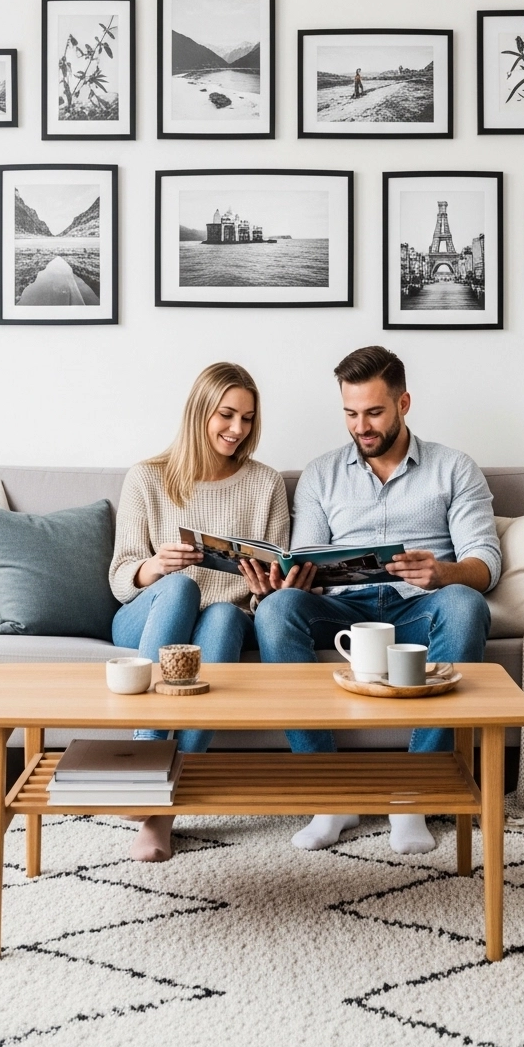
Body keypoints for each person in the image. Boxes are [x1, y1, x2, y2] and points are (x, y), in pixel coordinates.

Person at [250, 345, 501, 856]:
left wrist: (443, 572)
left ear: (404, 403)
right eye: (350, 413)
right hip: (344, 608)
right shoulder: (321, 474)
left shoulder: (454, 468)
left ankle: (412, 794)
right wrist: (290, 580)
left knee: (466, 604)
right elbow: (307, 557)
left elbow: (486, 562)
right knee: (275, 610)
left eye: (374, 413)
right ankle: (331, 795)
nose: (361, 427)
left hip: (419, 606)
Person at [109, 361, 309, 863]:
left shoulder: (265, 484)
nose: (237, 429)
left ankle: (161, 815)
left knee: (221, 616)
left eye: (248, 418)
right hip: (149, 614)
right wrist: (155, 566)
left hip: (225, 617)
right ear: (200, 411)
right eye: (226, 415)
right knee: (180, 589)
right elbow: (119, 578)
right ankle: (144, 759)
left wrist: (265, 590)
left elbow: (270, 589)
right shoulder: (147, 477)